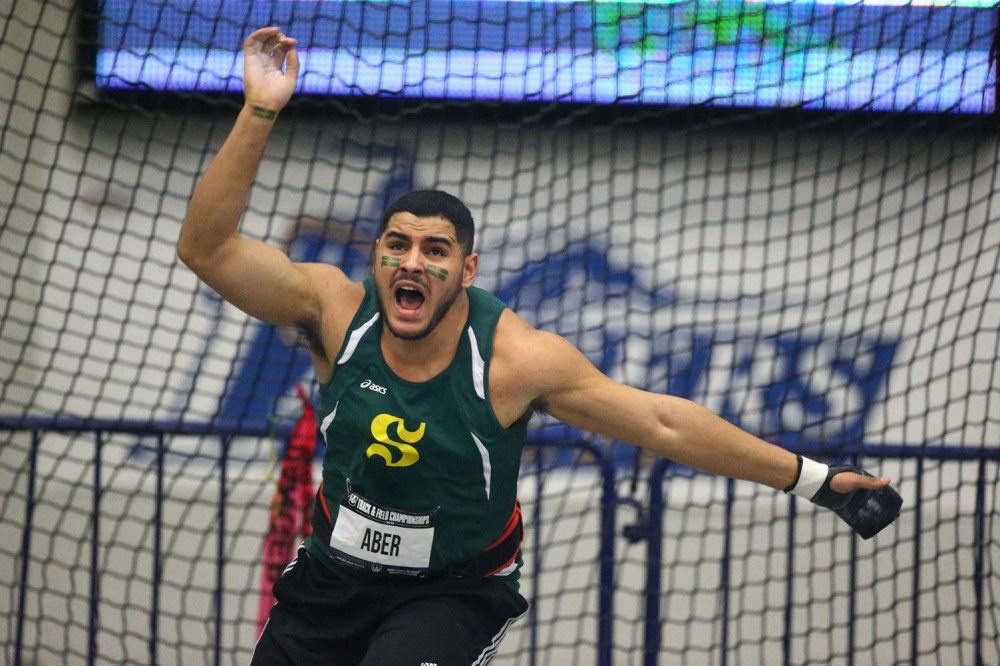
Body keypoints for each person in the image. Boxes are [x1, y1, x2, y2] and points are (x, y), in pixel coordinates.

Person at [177, 27, 902, 666]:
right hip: (331, 579)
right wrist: (260, 108)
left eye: (435, 251)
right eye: (396, 245)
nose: (411, 262)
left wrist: (815, 480)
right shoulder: (334, 310)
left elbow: (663, 422)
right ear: (376, 257)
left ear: (467, 271)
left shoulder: (518, 359)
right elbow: (208, 249)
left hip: (451, 594)